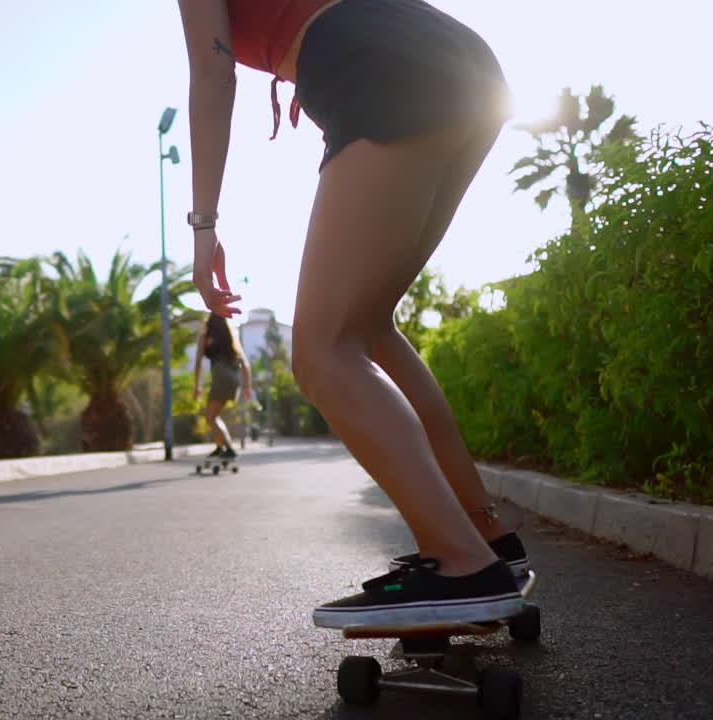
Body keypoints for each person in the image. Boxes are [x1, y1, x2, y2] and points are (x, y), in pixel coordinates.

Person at [176, 0, 530, 629]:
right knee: (366, 328)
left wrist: (204, 227)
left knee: (321, 352)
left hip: (375, 63)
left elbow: (213, 73)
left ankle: (461, 563)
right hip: (457, 59)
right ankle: (486, 536)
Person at [193, 312, 252, 461]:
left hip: (220, 377)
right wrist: (247, 387)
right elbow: (245, 364)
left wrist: (197, 386)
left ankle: (229, 448)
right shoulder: (231, 337)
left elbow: (198, 362)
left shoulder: (204, 337)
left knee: (211, 417)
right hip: (234, 379)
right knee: (214, 416)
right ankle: (220, 448)